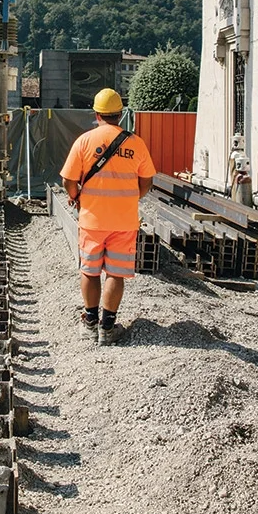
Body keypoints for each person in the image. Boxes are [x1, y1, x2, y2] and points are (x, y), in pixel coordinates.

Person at [60, 87, 156, 345]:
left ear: (97, 114)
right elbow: (147, 180)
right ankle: (108, 328)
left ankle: (90, 323)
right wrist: (132, 198)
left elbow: (68, 179)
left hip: (92, 219)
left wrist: (77, 197)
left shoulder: (85, 141)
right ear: (120, 113)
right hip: (124, 221)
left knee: (90, 271)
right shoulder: (136, 143)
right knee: (116, 273)